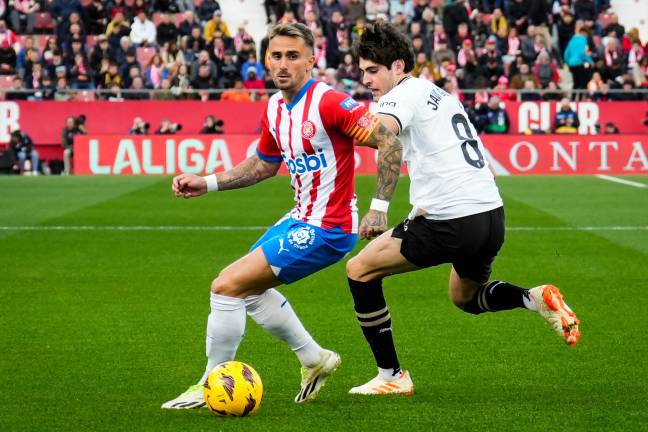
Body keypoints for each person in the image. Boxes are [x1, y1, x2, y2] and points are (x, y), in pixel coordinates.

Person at [163, 22, 402, 409]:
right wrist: (205, 183)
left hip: (328, 228)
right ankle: (314, 358)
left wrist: (379, 208)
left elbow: (389, 143)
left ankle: (211, 383)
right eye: (276, 56)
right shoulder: (275, 107)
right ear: (265, 61)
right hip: (299, 218)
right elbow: (262, 165)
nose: (283, 64)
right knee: (251, 293)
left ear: (311, 60)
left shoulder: (329, 102)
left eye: (293, 56)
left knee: (225, 286)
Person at [345, 21, 581, 395]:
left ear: (399, 67)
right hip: (491, 216)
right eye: (362, 72)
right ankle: (532, 298)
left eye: (374, 70)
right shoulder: (440, 94)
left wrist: (376, 204)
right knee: (465, 297)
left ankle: (391, 377)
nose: (367, 79)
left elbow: (385, 136)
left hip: (450, 218)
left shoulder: (400, 95)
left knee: (359, 270)